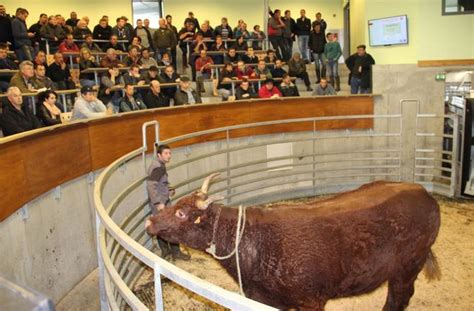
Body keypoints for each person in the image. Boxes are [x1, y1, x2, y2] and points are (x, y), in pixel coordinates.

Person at [145, 144, 191, 261]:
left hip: (163, 201)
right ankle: (174, 252)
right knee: (172, 226)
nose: (169, 156)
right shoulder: (158, 167)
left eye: (170, 153)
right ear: (159, 155)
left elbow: (160, 182)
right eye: (166, 153)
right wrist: (158, 203)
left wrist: (169, 189)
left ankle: (166, 251)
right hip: (161, 204)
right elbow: (151, 186)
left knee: (162, 226)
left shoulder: (159, 165)